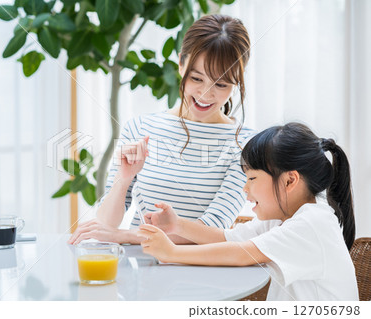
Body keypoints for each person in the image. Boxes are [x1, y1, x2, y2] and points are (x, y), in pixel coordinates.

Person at [69, 14, 254, 245]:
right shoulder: (140, 127)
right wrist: (124, 179)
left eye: (221, 84)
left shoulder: (245, 144)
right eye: (196, 78)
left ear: (238, 80)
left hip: (204, 273)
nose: (206, 94)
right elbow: (107, 223)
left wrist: (125, 236)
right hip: (141, 270)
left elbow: (214, 229)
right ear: (180, 63)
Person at [137, 122, 359, 301]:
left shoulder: (311, 222)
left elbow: (242, 253)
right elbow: (226, 238)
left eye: (252, 178)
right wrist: (178, 225)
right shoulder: (284, 218)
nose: (245, 187)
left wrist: (172, 253)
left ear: (290, 180)